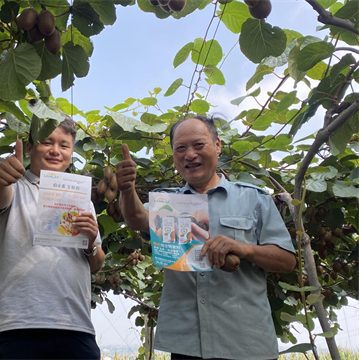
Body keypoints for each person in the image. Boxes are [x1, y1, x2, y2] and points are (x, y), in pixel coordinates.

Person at [116, 115, 296, 360]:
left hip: (246, 344)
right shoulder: (167, 204)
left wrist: (244, 249)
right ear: (173, 155)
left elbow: (287, 261)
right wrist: (127, 190)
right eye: (180, 148)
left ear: (218, 145)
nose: (190, 154)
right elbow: (137, 218)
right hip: (186, 345)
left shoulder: (255, 199)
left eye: (199, 145)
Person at [0, 118, 105, 360]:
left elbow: (96, 265)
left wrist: (91, 242)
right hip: (17, 326)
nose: (55, 151)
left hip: (75, 325)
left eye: (64, 145)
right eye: (46, 142)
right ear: (29, 147)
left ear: (71, 152)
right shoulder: (14, 187)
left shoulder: (82, 200)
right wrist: (0, 179)